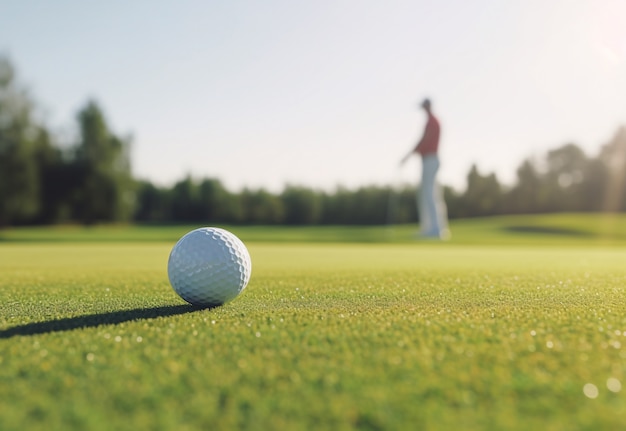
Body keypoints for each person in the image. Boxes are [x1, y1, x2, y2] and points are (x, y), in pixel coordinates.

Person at [400, 98, 449, 239]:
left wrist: (407, 156)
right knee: (433, 194)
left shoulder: (432, 122)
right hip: (431, 160)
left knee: (428, 194)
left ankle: (434, 229)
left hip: (430, 159)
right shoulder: (432, 121)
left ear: (428, 106)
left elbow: (424, 140)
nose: (423, 109)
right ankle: (436, 228)